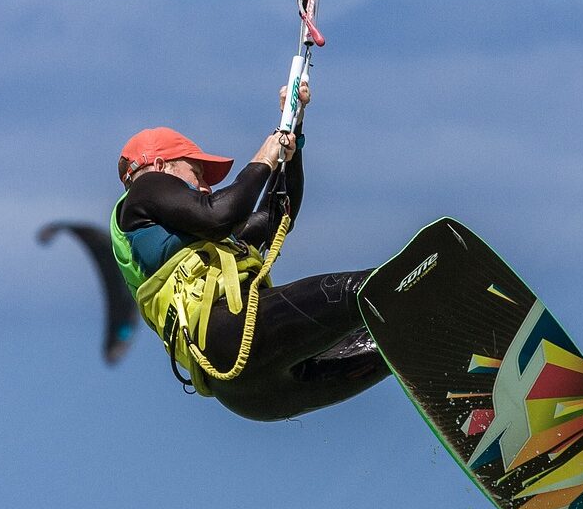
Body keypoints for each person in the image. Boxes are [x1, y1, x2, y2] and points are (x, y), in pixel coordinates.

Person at [109, 85, 389, 421]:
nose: (204, 186)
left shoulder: (202, 244)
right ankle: (438, 284)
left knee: (388, 342)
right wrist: (265, 158)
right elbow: (218, 212)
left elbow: (276, 217)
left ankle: (452, 366)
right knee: (374, 291)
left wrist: (292, 133)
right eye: (196, 173)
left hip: (249, 392)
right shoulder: (145, 189)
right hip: (231, 334)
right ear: (160, 165)